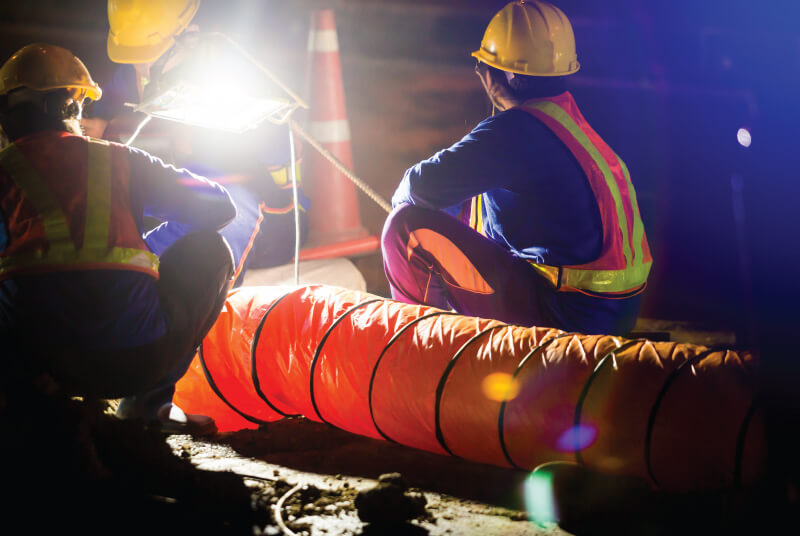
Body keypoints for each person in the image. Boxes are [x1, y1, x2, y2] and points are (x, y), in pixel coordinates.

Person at [0, 43, 236, 434]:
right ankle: (148, 409)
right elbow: (220, 210)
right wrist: (137, 240)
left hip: (37, 365)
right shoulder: (118, 159)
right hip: (133, 363)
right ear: (74, 105)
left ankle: (22, 407)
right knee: (212, 251)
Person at [381, 0, 652, 336]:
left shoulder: (517, 131)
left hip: (566, 317)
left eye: (484, 66)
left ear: (502, 74)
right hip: (607, 313)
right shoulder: (569, 125)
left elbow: (418, 188)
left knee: (406, 228)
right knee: (468, 206)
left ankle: (425, 352)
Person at [84, 0, 308, 286]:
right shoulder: (133, 74)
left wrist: (244, 120)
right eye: (133, 56)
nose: (141, 68)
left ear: (190, 35)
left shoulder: (232, 77)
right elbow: (112, 105)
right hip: (191, 193)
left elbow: (267, 160)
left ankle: (203, 303)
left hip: (272, 216)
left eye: (151, 56)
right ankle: (126, 275)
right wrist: (105, 125)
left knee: (223, 207)